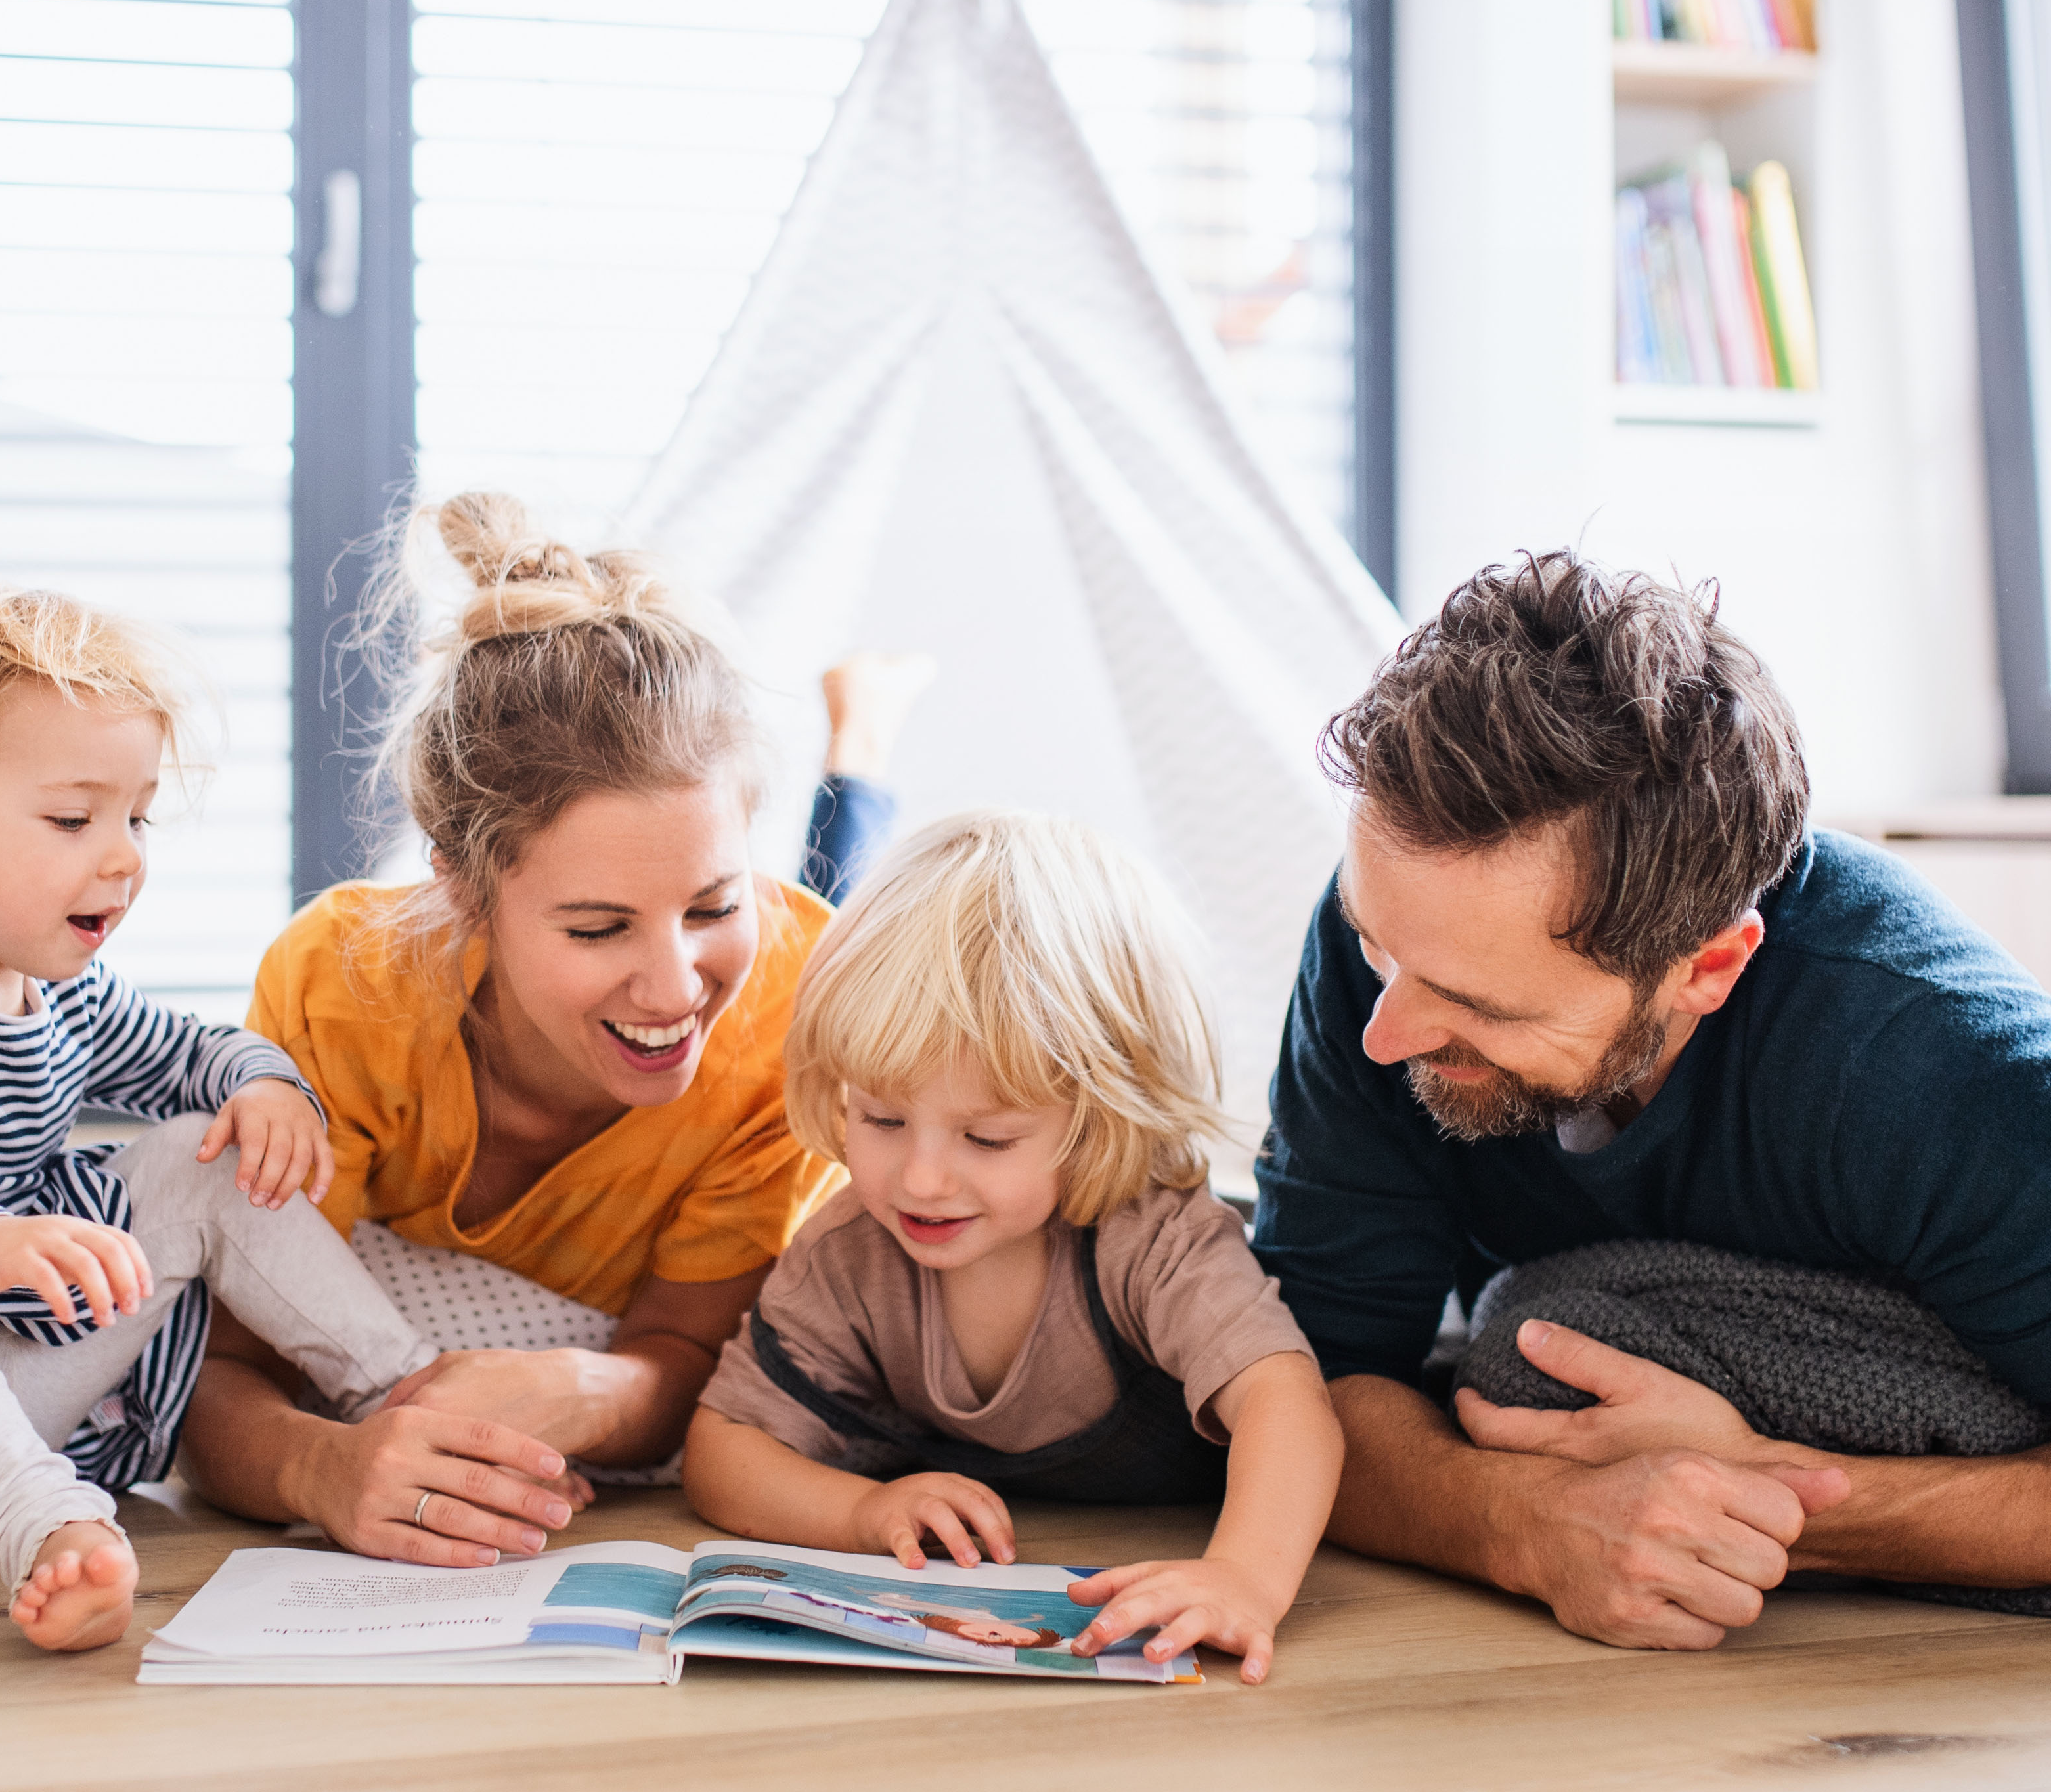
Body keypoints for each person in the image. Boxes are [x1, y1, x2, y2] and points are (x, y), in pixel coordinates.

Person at [0, 583, 522, 1651]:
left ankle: (402, 1388)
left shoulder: (59, 993)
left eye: (136, 815)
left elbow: (192, 1051)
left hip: (0, 1374)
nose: (123, 857)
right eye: (74, 819)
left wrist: (262, 1086)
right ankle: (44, 1524)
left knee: (198, 1154)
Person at [1250, 551, 2051, 1651]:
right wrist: (1518, 1525)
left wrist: (1776, 1506)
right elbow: (1304, 1383)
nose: (1385, 1036)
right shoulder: (1396, 947)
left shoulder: (1941, 1068)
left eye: (1480, 1005)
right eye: (1378, 948)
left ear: (1708, 968)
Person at [177, 494, 860, 1563]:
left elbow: (694, 1353)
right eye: (598, 929)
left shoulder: (790, 1006)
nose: (676, 985)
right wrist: (321, 1469)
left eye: (716, 907)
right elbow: (215, 1369)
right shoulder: (345, 987)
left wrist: (590, 1387)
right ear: (463, 889)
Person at [680, 811, 1342, 1680]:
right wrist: (864, 1512)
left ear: (1100, 1120)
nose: (919, 1180)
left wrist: (1242, 1578)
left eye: (986, 1139)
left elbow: (1291, 1406)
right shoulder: (848, 1251)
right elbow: (722, 1449)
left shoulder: (1152, 1237)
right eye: (881, 1118)